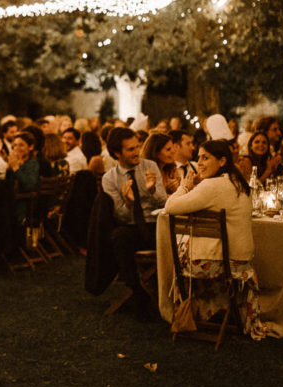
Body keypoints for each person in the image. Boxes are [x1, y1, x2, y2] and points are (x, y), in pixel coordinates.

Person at [164, 139, 267, 340]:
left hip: (218, 264)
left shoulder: (212, 186)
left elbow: (170, 207)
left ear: (221, 161)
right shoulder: (236, 182)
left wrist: (184, 186)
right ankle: (211, 313)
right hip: (241, 261)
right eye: (198, 157)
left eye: (205, 158)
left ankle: (183, 311)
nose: (199, 163)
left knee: (180, 253)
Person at [102, 127, 167, 319]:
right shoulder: (110, 178)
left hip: (154, 224)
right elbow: (119, 217)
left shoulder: (150, 167)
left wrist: (152, 190)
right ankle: (137, 291)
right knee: (118, 237)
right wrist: (128, 202)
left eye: (137, 147)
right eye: (130, 149)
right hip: (131, 227)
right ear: (117, 153)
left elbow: (164, 203)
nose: (137, 152)